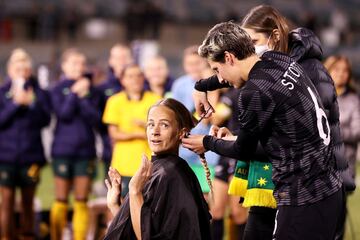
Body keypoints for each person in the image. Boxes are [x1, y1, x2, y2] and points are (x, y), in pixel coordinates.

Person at [182, 21, 344, 240]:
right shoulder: (278, 59)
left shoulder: (253, 93)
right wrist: (202, 85)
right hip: (329, 187)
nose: (219, 77)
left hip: (302, 195)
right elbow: (281, 129)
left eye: (217, 69)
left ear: (229, 57)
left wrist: (207, 143)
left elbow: (243, 150)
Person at [103, 98, 212, 239]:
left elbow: (145, 235)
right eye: (150, 124)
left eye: (164, 125)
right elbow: (137, 230)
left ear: (181, 132)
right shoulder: (158, 169)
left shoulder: (170, 174)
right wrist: (115, 206)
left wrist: (135, 190)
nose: (155, 131)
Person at [0, 48, 51, 240]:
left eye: (25, 68)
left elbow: (46, 120)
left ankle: (28, 236)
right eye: (17, 68)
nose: (21, 72)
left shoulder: (39, 93)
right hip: (5, 157)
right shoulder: (2, 93)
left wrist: (31, 104)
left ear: (30, 71)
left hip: (31, 156)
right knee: (6, 202)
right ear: (10, 70)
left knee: (28, 202)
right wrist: (15, 104)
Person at [50, 48, 100, 240]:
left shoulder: (92, 91)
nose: (78, 67)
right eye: (73, 63)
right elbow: (63, 114)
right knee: (61, 200)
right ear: (64, 66)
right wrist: (73, 94)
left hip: (85, 151)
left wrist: (84, 96)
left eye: (81, 63)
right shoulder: (56, 89)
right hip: (62, 151)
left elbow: (96, 119)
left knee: (81, 200)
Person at [102, 64, 161, 198]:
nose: (135, 79)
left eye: (138, 75)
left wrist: (145, 126)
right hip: (123, 164)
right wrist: (140, 133)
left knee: (148, 206)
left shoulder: (155, 99)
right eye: (130, 76)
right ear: (122, 80)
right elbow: (114, 134)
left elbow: (161, 129)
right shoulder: (114, 101)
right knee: (120, 206)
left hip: (149, 165)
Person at [324, 55, 360, 239]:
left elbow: (357, 131)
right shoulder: (316, 95)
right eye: (336, 69)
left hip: (343, 166)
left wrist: (330, 131)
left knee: (337, 215)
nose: (341, 74)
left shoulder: (354, 100)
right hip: (318, 164)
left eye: (345, 71)